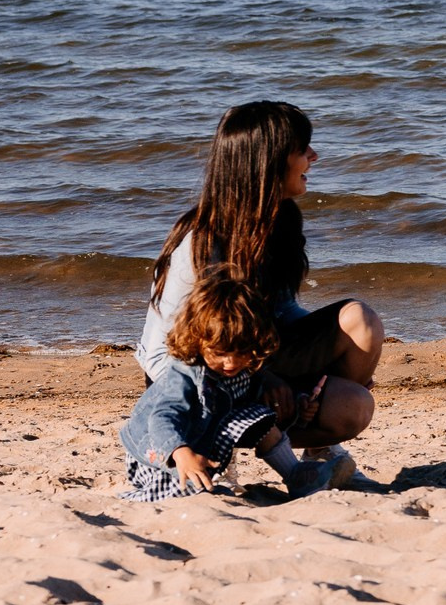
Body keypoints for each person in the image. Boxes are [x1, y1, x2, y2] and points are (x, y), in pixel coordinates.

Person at [141, 102, 383, 474]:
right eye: (303, 150)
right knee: (351, 399)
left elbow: (283, 312)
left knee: (357, 363)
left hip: (253, 357)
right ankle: (218, 447)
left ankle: (319, 452)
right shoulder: (203, 243)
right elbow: (162, 355)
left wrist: (327, 366)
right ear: (269, 162)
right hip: (198, 382)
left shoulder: (280, 220)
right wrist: (255, 379)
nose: (313, 157)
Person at [121, 281, 359, 501]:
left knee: (261, 417)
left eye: (241, 351)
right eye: (220, 354)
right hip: (157, 450)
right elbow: (162, 418)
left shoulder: (241, 368)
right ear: (199, 340)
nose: (231, 363)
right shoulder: (185, 374)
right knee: (190, 490)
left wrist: (299, 405)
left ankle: (295, 474)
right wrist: (180, 453)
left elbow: (252, 398)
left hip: (203, 435)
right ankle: (134, 498)